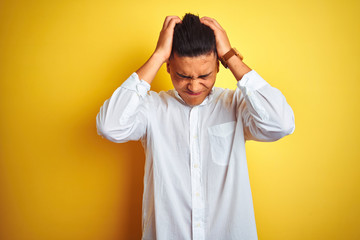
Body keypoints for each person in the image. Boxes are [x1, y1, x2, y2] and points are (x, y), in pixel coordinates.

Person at [96, 13, 295, 240]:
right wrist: (159, 54)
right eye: (182, 75)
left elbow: (281, 124)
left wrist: (230, 56)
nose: (194, 85)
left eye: (205, 75)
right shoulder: (151, 108)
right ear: (168, 67)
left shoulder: (237, 105)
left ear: (220, 67)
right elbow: (109, 126)